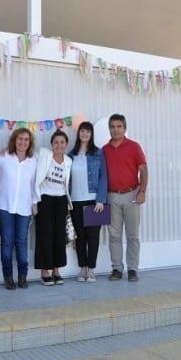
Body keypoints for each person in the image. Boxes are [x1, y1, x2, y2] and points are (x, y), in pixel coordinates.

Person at [102, 113, 148, 282]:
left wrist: (142, 191)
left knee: (133, 235)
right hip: (111, 196)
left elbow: (143, 169)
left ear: (125, 128)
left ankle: (133, 269)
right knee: (114, 236)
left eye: (119, 126)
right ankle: (117, 269)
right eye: (112, 126)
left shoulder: (134, 146)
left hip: (131, 195)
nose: (116, 130)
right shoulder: (104, 150)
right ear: (109, 129)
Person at [0, 128, 38, 290]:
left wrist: (34, 203)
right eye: (20, 139)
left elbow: (33, 185)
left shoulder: (33, 162)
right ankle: (8, 277)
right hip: (4, 206)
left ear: (29, 143)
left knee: (22, 241)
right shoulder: (5, 157)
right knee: (7, 241)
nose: (23, 142)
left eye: (26, 139)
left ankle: (23, 276)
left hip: (24, 207)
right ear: (14, 140)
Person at [68, 121, 107, 283]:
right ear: (79, 134)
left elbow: (104, 177)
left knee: (93, 237)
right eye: (82, 131)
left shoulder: (98, 153)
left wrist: (101, 199)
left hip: (93, 201)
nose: (85, 134)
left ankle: (91, 269)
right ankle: (82, 268)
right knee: (80, 237)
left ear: (91, 135)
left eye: (88, 132)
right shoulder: (70, 155)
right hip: (75, 201)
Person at [34, 130, 72, 286]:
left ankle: (56, 270)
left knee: (59, 236)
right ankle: (45, 271)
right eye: (56, 142)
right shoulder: (43, 155)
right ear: (51, 144)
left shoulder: (68, 161)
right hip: (45, 200)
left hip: (61, 200)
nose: (59, 145)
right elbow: (27, 157)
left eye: (62, 142)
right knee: (45, 235)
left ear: (66, 144)